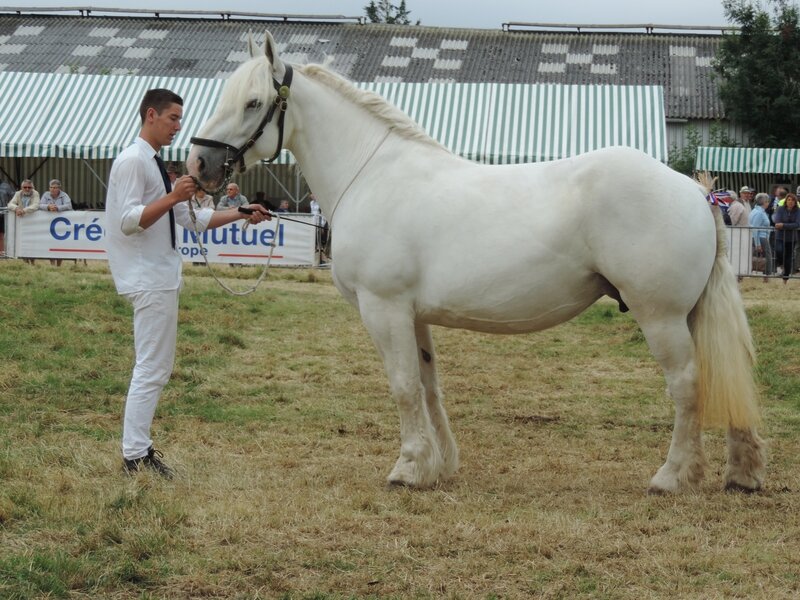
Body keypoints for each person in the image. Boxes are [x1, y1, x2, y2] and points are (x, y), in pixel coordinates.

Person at [105, 88, 270, 478]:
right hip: (148, 276)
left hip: (159, 275)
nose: (179, 127)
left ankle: (137, 450)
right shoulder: (133, 162)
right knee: (151, 368)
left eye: (180, 119)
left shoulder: (154, 164)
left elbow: (192, 219)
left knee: (155, 367)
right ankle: (135, 454)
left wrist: (241, 213)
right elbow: (129, 221)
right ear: (151, 115)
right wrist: (173, 195)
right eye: (173, 118)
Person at [39, 179, 74, 266]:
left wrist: (57, 208)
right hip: (49, 224)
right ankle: (52, 264)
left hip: (62, 225)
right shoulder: (46, 195)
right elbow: (39, 205)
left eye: (55, 187)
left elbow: (69, 206)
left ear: (59, 188)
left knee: (60, 245)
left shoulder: (64, 195)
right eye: (51, 187)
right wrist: (48, 207)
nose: (53, 189)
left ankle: (59, 265)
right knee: (50, 243)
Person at [7, 180, 40, 264]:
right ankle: (25, 262)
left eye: (29, 187)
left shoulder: (35, 193)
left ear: (33, 188)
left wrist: (24, 210)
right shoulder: (18, 193)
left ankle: (32, 262)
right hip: (21, 222)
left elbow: (36, 205)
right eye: (25, 187)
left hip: (33, 222)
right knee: (22, 242)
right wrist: (17, 208)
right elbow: (10, 204)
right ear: (22, 188)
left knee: (32, 242)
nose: (27, 189)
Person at [773, 192, 800, 282]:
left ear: (795, 202)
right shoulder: (780, 209)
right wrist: (785, 225)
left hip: (791, 238)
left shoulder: (798, 211)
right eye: (789, 200)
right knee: (779, 251)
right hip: (780, 236)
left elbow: (797, 224)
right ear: (786, 201)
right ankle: (780, 265)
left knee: (788, 257)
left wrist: (783, 225)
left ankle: (786, 277)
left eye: (792, 200)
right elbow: (777, 222)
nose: (790, 202)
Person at [749, 193, 774, 279]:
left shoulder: (755, 211)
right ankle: (767, 275)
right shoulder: (759, 213)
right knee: (768, 256)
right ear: (764, 202)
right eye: (767, 202)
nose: (768, 203)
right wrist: (757, 243)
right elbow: (755, 228)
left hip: (759, 237)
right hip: (761, 237)